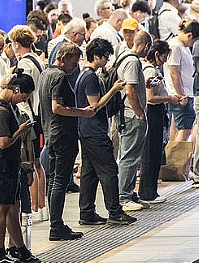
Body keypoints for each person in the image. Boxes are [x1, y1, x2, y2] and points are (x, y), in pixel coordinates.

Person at [0, 70, 40, 263]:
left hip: (8, 166)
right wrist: (20, 131)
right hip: (1, 165)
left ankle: (19, 248)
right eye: (24, 96)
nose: (24, 101)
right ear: (17, 89)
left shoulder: (5, 108)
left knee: (12, 207)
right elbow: (2, 142)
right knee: (2, 207)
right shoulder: (0, 111)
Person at [75, 38, 137, 225]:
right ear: (96, 56)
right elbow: (95, 106)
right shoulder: (91, 77)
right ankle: (115, 211)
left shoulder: (82, 75)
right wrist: (114, 90)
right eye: (105, 57)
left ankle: (86, 212)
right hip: (95, 131)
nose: (107, 61)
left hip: (85, 130)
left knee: (89, 173)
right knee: (110, 170)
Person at [38, 42, 96, 241]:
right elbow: (57, 107)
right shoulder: (60, 77)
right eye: (72, 63)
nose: (74, 67)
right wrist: (83, 113)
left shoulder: (45, 74)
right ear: (62, 59)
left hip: (51, 133)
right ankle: (56, 225)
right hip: (62, 134)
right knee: (59, 182)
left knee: (55, 180)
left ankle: (57, 223)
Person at [10, 25, 48, 223]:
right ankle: (42, 206)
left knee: (30, 163)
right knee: (38, 163)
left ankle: (34, 206)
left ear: (16, 44)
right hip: (38, 114)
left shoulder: (25, 63)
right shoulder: (38, 59)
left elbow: (22, 90)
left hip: (27, 116)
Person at [116, 31, 152, 212]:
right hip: (131, 116)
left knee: (129, 156)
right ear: (146, 46)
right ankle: (123, 197)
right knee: (129, 157)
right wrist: (140, 112)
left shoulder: (123, 56)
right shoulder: (132, 61)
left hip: (126, 115)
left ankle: (128, 193)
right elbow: (129, 89)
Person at [142, 41, 176, 197]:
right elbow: (151, 97)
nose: (165, 60)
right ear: (157, 54)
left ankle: (150, 190)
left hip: (155, 113)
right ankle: (148, 191)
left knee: (154, 151)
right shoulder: (150, 71)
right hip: (153, 113)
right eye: (164, 57)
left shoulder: (151, 70)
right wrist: (170, 98)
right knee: (151, 152)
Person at [165, 21, 199, 142]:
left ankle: (173, 158)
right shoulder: (175, 46)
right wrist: (181, 94)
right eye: (194, 40)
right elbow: (174, 72)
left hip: (184, 93)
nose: (193, 44)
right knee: (185, 130)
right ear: (190, 35)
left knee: (176, 127)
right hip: (182, 94)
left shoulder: (181, 46)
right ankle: (178, 160)